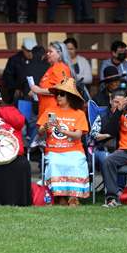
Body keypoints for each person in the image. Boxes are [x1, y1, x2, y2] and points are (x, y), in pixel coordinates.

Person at [37, 77, 90, 206]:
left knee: (76, 164)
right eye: (56, 94)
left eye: (62, 94)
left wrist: (62, 130)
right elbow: (40, 132)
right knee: (55, 163)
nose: (58, 97)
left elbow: (78, 135)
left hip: (74, 149)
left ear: (70, 96)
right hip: (54, 150)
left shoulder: (79, 114)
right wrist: (44, 128)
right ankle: (59, 196)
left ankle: (73, 197)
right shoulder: (50, 111)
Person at [29, 41, 73, 117]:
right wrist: (36, 91)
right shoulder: (52, 68)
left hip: (54, 113)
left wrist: (38, 90)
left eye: (50, 52)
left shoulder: (61, 68)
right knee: (45, 129)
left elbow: (61, 90)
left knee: (52, 129)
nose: (47, 54)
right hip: (47, 111)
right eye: (47, 52)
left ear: (59, 54)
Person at [1, 37, 38, 104]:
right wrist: (15, 89)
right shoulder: (14, 60)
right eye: (28, 50)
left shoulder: (39, 60)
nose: (30, 53)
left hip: (36, 91)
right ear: (23, 48)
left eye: (32, 51)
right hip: (19, 93)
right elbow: (7, 76)